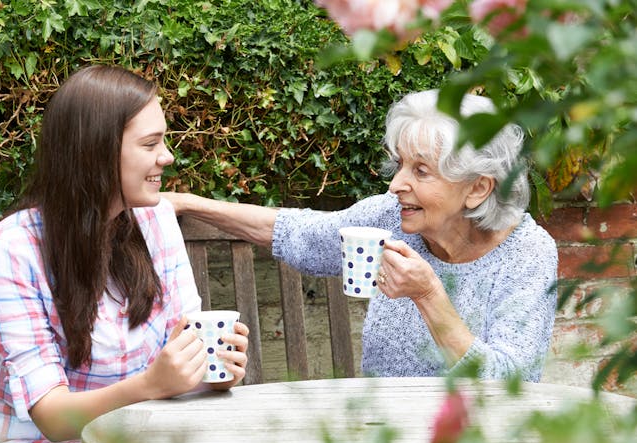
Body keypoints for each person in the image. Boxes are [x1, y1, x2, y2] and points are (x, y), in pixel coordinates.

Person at [0, 65, 249, 443]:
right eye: (150, 144)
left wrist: (209, 370)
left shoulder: (155, 224)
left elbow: (182, 349)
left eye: (163, 140)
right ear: (96, 152)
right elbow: (53, 417)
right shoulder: (11, 250)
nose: (167, 156)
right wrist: (152, 385)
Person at [164, 89, 558, 383]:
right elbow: (299, 233)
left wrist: (428, 296)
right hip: (379, 442)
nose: (396, 184)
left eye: (421, 171)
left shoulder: (526, 253)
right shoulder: (391, 217)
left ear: (477, 188)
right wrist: (187, 203)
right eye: (401, 164)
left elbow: (513, 384)